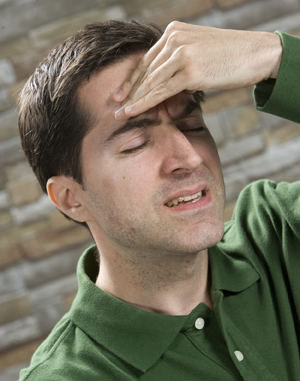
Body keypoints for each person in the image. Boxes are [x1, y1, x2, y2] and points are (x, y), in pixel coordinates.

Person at [17, 20, 300, 381]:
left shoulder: (279, 231)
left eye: (193, 126)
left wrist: (274, 57)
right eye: (135, 144)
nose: (189, 157)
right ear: (71, 199)